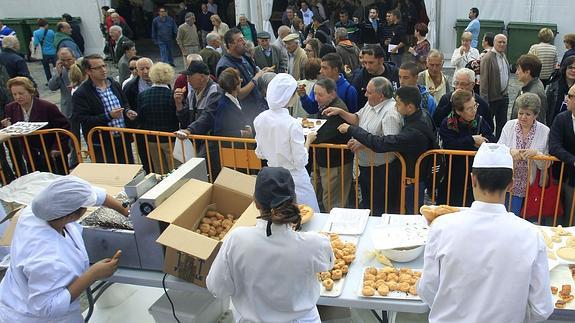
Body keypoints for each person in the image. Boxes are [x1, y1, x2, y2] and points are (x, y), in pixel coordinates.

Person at [418, 143, 554, 322]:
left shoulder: (442, 227)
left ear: (473, 179)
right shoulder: (530, 235)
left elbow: (428, 288)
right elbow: (541, 308)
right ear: (511, 185)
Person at [206, 166, 333, 322]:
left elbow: (217, 288)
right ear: (294, 201)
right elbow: (328, 263)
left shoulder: (237, 239)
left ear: (256, 202)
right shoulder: (314, 243)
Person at [0, 176, 127, 322]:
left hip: (15, 294)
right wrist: (92, 275)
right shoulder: (46, 257)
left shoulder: (39, 210)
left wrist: (124, 211)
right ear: (71, 215)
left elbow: (92, 195)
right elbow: (47, 308)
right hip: (33, 316)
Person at [338, 86, 436, 214]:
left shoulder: (415, 132)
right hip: (410, 175)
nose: (395, 107)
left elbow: (382, 143)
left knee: (410, 215)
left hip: (413, 179)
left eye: (398, 104)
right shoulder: (420, 115)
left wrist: (352, 129)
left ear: (410, 107)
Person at [323, 77, 402, 215]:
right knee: (368, 203)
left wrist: (363, 144)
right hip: (366, 166)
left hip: (382, 169)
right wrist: (340, 112)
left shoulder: (390, 113)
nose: (365, 94)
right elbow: (357, 119)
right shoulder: (371, 104)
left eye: (369, 92)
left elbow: (389, 143)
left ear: (381, 96)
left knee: (379, 208)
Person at [254, 74, 320, 212]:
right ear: (289, 97)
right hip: (295, 180)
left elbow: (260, 153)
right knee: (306, 217)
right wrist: (308, 140)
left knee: (279, 217)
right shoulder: (292, 124)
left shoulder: (259, 119)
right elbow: (300, 161)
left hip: (273, 178)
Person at [72, 54, 138, 164]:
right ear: (88, 71)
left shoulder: (114, 84)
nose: (103, 70)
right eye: (98, 68)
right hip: (102, 143)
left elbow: (124, 102)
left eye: (104, 66)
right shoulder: (82, 93)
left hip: (122, 138)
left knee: (129, 171)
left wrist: (127, 111)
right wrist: (108, 116)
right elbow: (83, 119)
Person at [438, 89, 495, 207]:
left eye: (475, 106)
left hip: (475, 174)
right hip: (453, 175)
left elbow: (491, 138)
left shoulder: (479, 120)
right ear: (459, 111)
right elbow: (450, 145)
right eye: (469, 108)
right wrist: (472, 140)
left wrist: (483, 142)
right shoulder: (448, 123)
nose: (474, 110)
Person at [2, 77, 71, 174]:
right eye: (14, 94)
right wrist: (7, 125)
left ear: (31, 92)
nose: (17, 97)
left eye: (21, 93)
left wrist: (57, 147)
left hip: (51, 151)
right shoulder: (10, 108)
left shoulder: (47, 107)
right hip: (30, 153)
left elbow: (64, 127)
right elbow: (12, 126)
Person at [498, 93, 549, 216]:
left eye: (528, 114)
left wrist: (536, 154)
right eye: (520, 113)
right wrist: (510, 151)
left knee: (528, 219)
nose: (523, 117)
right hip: (508, 183)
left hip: (532, 185)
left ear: (536, 115)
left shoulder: (545, 131)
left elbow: (546, 164)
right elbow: (499, 149)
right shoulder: (509, 126)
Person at [306, 78, 353, 210]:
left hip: (335, 163)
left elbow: (320, 135)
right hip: (324, 161)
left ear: (332, 94)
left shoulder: (337, 109)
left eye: (320, 95)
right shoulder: (325, 106)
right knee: (323, 197)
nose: (316, 98)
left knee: (333, 202)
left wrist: (306, 134)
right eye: (315, 94)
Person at [216, 29, 272, 126]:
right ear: (230, 45)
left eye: (243, 39)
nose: (244, 42)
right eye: (239, 40)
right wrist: (255, 79)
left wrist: (262, 72)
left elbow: (255, 74)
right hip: (246, 116)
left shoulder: (245, 57)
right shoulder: (225, 66)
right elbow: (238, 95)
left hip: (260, 108)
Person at [135, 62, 181, 174]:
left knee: (159, 171)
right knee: (175, 171)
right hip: (170, 138)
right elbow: (178, 116)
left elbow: (140, 117)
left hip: (151, 139)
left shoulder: (143, 95)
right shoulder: (172, 95)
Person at [549, 83, 575, 225]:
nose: (566, 99)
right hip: (560, 176)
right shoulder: (561, 118)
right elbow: (554, 146)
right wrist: (572, 160)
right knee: (557, 218)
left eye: (570, 96)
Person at [480, 34, 510, 139]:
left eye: (504, 42)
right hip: (492, 99)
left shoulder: (504, 56)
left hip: (504, 97)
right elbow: (483, 82)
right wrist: (484, 102)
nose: (502, 44)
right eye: (499, 42)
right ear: (494, 43)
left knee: (502, 125)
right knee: (488, 126)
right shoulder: (487, 58)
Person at [351, 44, 399, 108]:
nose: (367, 67)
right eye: (365, 62)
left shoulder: (395, 72)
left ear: (381, 60)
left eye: (371, 63)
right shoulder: (359, 78)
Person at [510, 54, 547, 124]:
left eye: (518, 69)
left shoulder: (535, 93)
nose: (516, 73)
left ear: (527, 72)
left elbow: (537, 122)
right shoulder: (528, 86)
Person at [547, 56, 575, 125]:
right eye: (570, 67)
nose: (573, 71)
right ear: (565, 69)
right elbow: (547, 110)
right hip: (554, 124)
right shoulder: (553, 87)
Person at [33, 19, 57, 85]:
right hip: (53, 51)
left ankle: (49, 81)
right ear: (46, 24)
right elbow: (54, 40)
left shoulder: (36, 33)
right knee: (56, 67)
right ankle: (58, 79)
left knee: (46, 68)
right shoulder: (51, 32)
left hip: (44, 53)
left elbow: (36, 43)